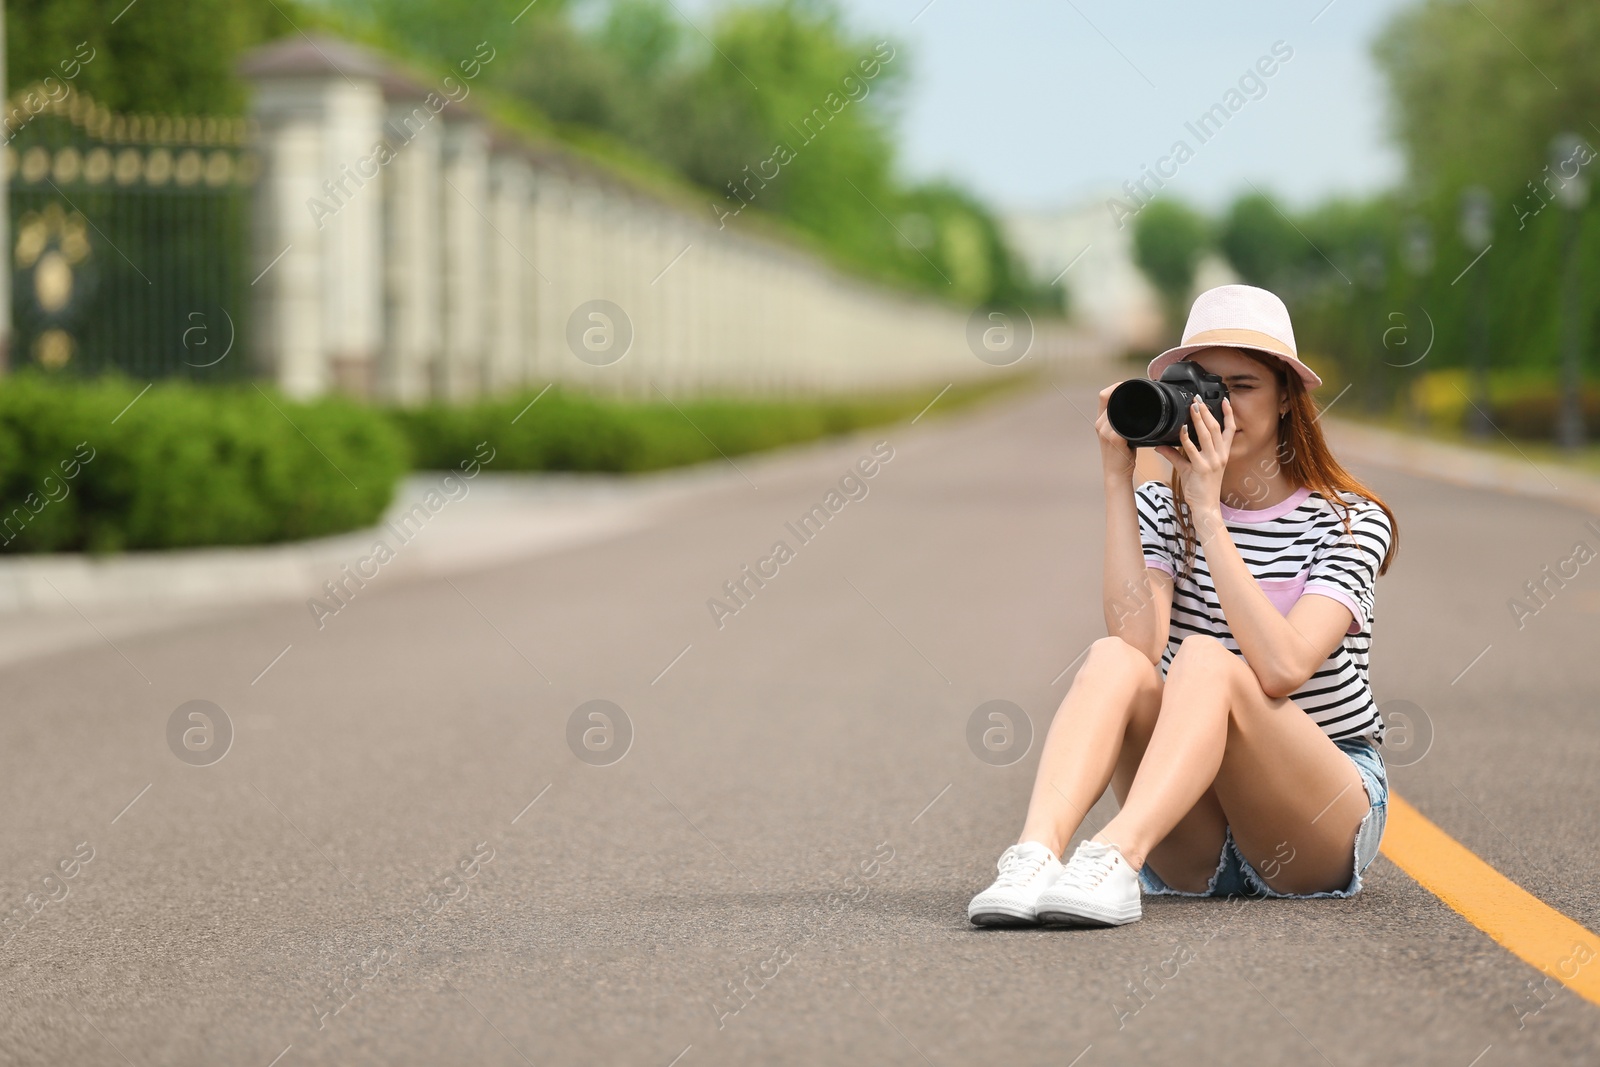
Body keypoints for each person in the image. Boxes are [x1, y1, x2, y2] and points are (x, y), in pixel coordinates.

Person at [968, 283, 1401, 928]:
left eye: (1243, 386)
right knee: (1113, 657)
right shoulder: (1160, 507)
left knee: (1204, 659)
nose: (1221, 407)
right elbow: (1139, 646)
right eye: (1205, 386)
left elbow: (1283, 668)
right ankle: (1034, 856)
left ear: (1287, 396)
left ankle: (1115, 854)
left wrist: (1208, 511)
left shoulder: (1348, 522)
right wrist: (1121, 478)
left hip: (1312, 822)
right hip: (1195, 837)